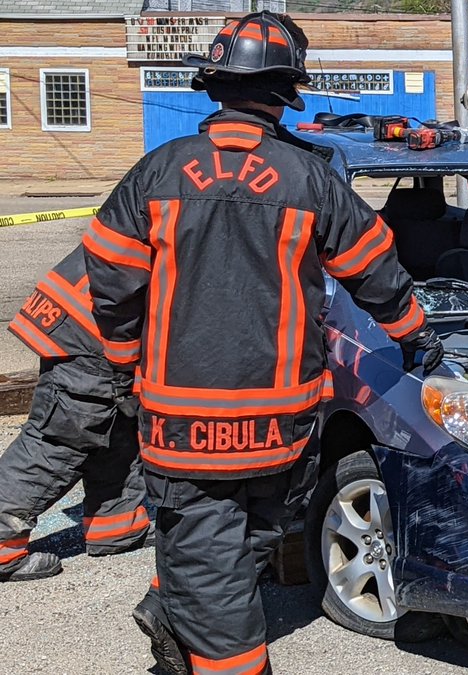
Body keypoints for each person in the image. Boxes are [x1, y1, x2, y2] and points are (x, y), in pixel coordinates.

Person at [82, 12, 443, 674]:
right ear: (285, 92)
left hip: (181, 419)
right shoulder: (311, 179)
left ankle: (185, 613)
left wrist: (125, 361)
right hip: (280, 421)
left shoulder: (158, 172)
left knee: (203, 542)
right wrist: (414, 334)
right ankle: (199, 627)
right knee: (249, 536)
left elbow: (109, 278)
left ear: (215, 86)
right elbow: (377, 272)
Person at [0, 246, 152, 583]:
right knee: (62, 437)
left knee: (117, 420)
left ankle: (115, 524)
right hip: (100, 321)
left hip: (96, 309)